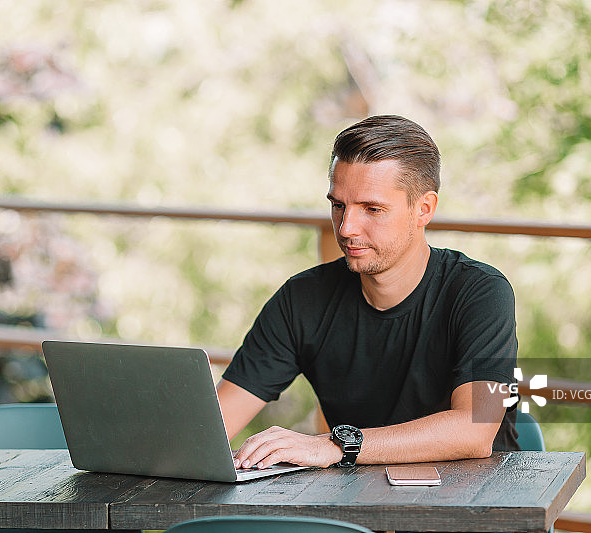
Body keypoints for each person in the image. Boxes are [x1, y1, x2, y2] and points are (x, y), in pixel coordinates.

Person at [217, 115, 518, 471]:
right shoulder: (302, 299)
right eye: (338, 205)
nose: (346, 228)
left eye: (372, 209)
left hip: (476, 497)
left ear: (424, 209)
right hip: (358, 500)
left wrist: (335, 445)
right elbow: (211, 428)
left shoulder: (482, 292)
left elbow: (475, 429)